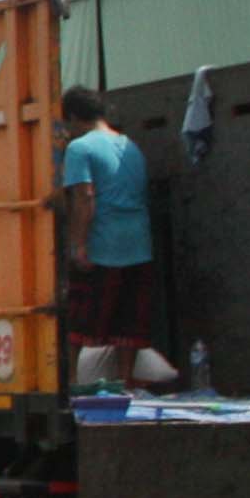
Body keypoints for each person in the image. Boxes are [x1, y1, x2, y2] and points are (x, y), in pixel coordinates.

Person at [55, 84, 162, 388]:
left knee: (80, 319)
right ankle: (126, 382)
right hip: (139, 245)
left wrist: (77, 245)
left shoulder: (80, 148)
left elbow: (85, 198)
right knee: (129, 321)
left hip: (104, 246)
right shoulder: (131, 146)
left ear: (73, 117)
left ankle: (72, 382)